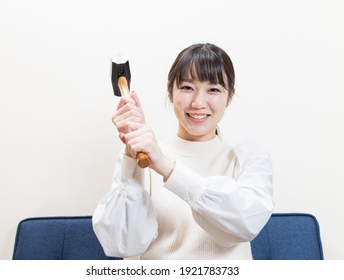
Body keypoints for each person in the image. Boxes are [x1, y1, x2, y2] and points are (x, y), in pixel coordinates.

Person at [92, 43, 274, 260]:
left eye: (213, 90)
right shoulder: (140, 155)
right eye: (187, 88)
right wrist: (132, 159)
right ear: (170, 92)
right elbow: (121, 245)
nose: (198, 102)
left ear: (230, 97)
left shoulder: (249, 159)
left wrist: (166, 166)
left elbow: (243, 225)